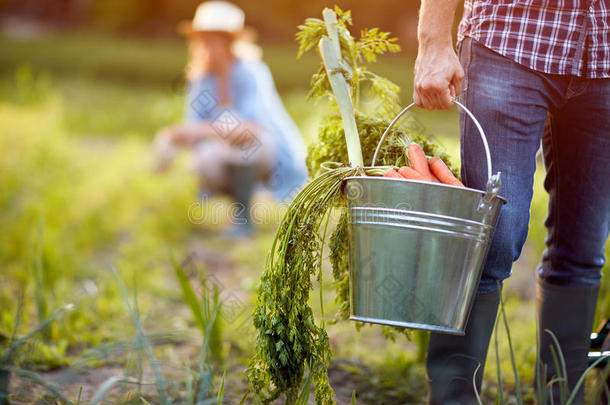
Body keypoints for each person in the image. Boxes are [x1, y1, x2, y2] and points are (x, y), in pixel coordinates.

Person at [414, 0, 609, 403]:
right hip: (511, 39)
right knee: (491, 240)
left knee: (584, 248)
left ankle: (562, 396)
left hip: (604, 57)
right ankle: (453, 399)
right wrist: (433, 41)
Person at [154, 1, 308, 238]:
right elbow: (193, 130)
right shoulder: (201, 79)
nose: (207, 46)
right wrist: (168, 140)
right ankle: (238, 209)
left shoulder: (251, 72)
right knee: (204, 158)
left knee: (245, 145)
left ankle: (244, 220)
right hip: (230, 152)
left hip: (271, 154)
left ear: (230, 42)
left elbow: (249, 130)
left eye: (214, 39)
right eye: (203, 39)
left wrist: (194, 132)